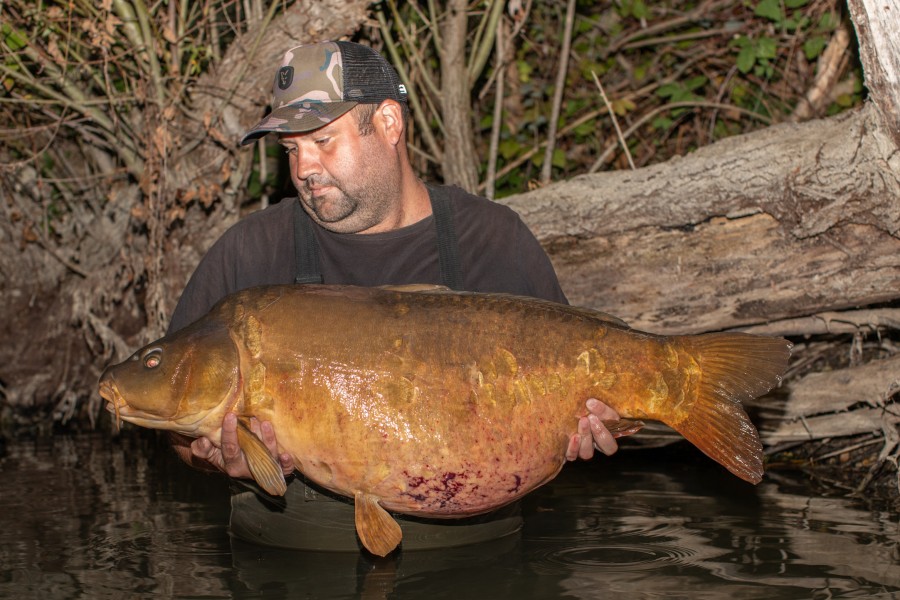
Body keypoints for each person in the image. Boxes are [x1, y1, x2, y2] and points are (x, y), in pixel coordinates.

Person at [167, 40, 624, 552]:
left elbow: (582, 388)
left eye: (322, 141)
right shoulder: (247, 253)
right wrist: (207, 453)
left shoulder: (495, 239)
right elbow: (178, 425)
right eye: (292, 150)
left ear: (388, 123)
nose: (303, 169)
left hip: (481, 564)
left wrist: (596, 423)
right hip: (290, 569)